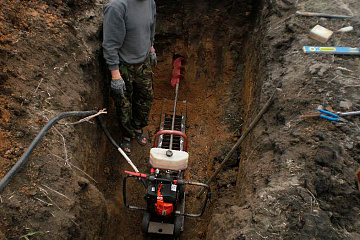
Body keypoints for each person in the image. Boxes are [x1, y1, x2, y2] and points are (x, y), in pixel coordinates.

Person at [102, 0, 157, 156]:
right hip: (123, 65)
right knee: (124, 105)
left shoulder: (149, 2)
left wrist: (151, 47)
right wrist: (115, 74)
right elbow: (110, 44)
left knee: (145, 98)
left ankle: (138, 128)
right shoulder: (117, 7)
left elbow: (150, 27)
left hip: (143, 62)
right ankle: (127, 134)